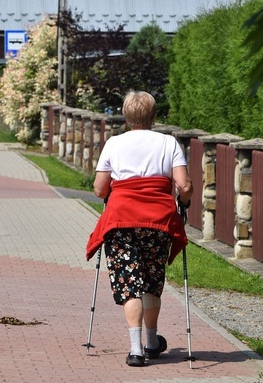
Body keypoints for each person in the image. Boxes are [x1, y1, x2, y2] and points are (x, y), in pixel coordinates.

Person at [86, 90, 192, 368]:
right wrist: (185, 201)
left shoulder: (114, 143)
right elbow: (184, 186)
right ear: (154, 116)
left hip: (121, 220)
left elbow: (99, 189)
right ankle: (152, 341)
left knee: (129, 282)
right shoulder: (169, 143)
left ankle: (136, 351)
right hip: (158, 221)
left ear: (126, 117)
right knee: (151, 281)